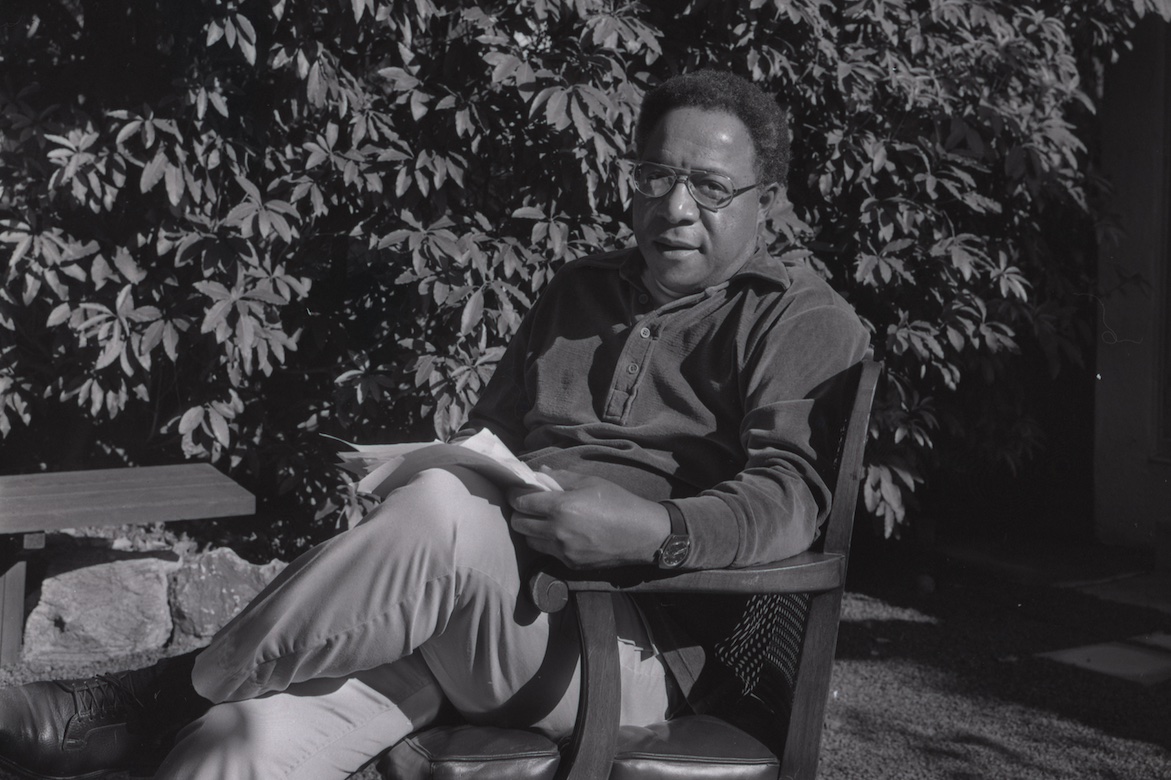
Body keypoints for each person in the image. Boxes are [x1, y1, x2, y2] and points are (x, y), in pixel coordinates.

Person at [0, 69, 869, 779]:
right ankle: (181, 718)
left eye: (710, 187)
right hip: (467, 617)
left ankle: (149, 698)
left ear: (769, 202)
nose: (675, 207)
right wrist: (417, 465)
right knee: (235, 752)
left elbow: (791, 496)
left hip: (618, 647)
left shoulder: (795, 318)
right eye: (656, 176)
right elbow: (489, 433)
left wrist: (657, 528)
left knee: (444, 514)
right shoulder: (576, 292)